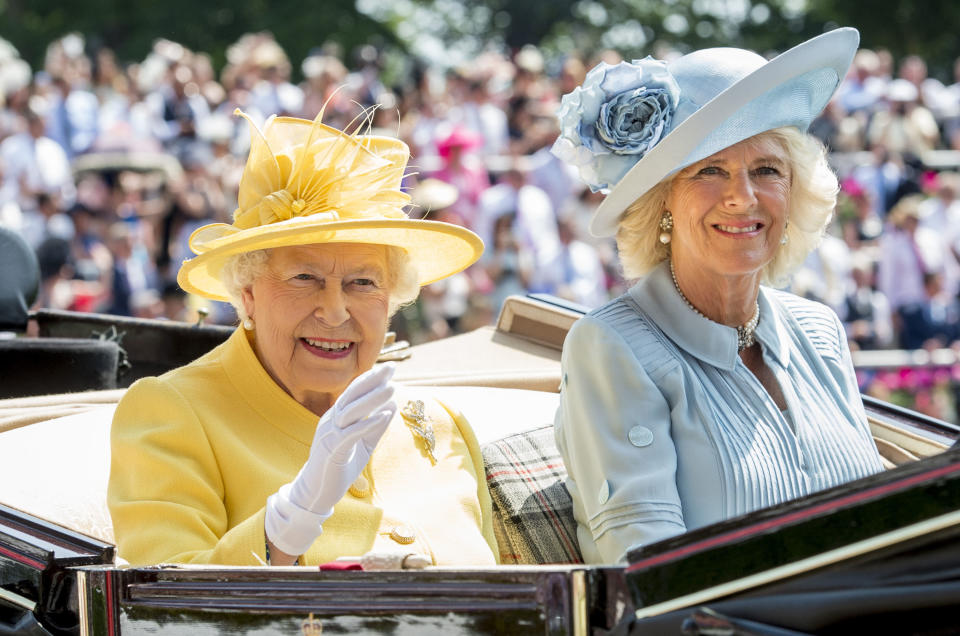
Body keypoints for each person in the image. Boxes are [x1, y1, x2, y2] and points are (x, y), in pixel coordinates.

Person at [551, 28, 884, 564]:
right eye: (710, 170)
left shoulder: (819, 330)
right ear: (663, 201)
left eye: (767, 170)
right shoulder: (612, 349)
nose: (742, 196)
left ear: (793, 193)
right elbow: (648, 579)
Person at [108, 109, 497, 567]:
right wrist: (291, 519)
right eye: (305, 277)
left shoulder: (438, 423)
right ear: (248, 294)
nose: (334, 311)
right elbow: (163, 610)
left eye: (363, 283)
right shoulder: (172, 413)